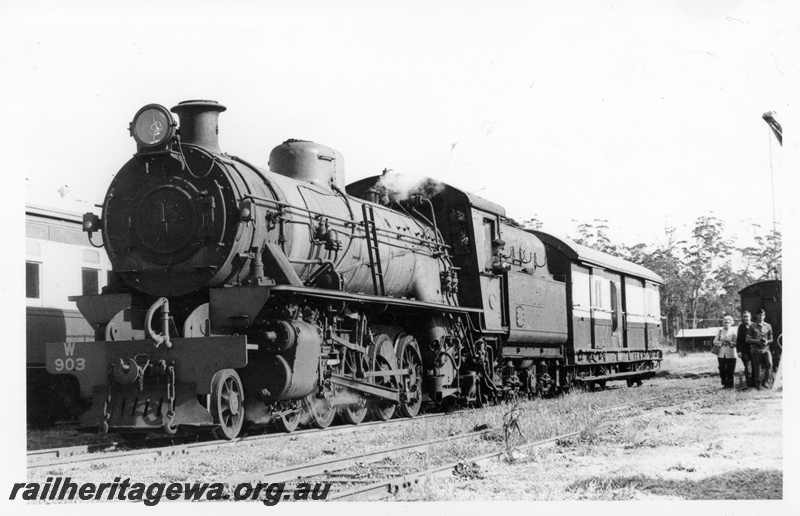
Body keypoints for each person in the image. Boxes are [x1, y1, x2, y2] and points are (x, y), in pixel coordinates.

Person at [746, 308, 773, 389]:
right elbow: (747, 339)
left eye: (763, 315)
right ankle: (758, 386)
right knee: (758, 369)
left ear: (764, 316)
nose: (761, 316)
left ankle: (766, 382)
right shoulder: (752, 326)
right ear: (757, 316)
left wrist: (767, 341)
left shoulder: (768, 326)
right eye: (759, 315)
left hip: (766, 350)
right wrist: (757, 341)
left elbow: (771, 339)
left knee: (769, 364)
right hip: (756, 351)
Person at [714, 315, 738, 388]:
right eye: (725, 323)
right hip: (722, 354)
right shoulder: (720, 331)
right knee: (722, 370)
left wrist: (731, 343)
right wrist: (721, 343)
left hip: (731, 354)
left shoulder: (734, 331)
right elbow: (714, 341)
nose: (726, 324)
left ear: (731, 323)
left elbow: (737, 342)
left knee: (730, 370)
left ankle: (730, 386)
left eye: (728, 322)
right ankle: (724, 384)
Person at [736, 311, 754, 388]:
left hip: (755, 350)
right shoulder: (741, 327)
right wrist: (738, 351)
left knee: (755, 368)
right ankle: (749, 386)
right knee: (748, 368)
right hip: (745, 351)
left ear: (750, 317)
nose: (746, 318)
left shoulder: (754, 325)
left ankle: (755, 385)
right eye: (744, 316)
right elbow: (738, 340)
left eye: (747, 316)